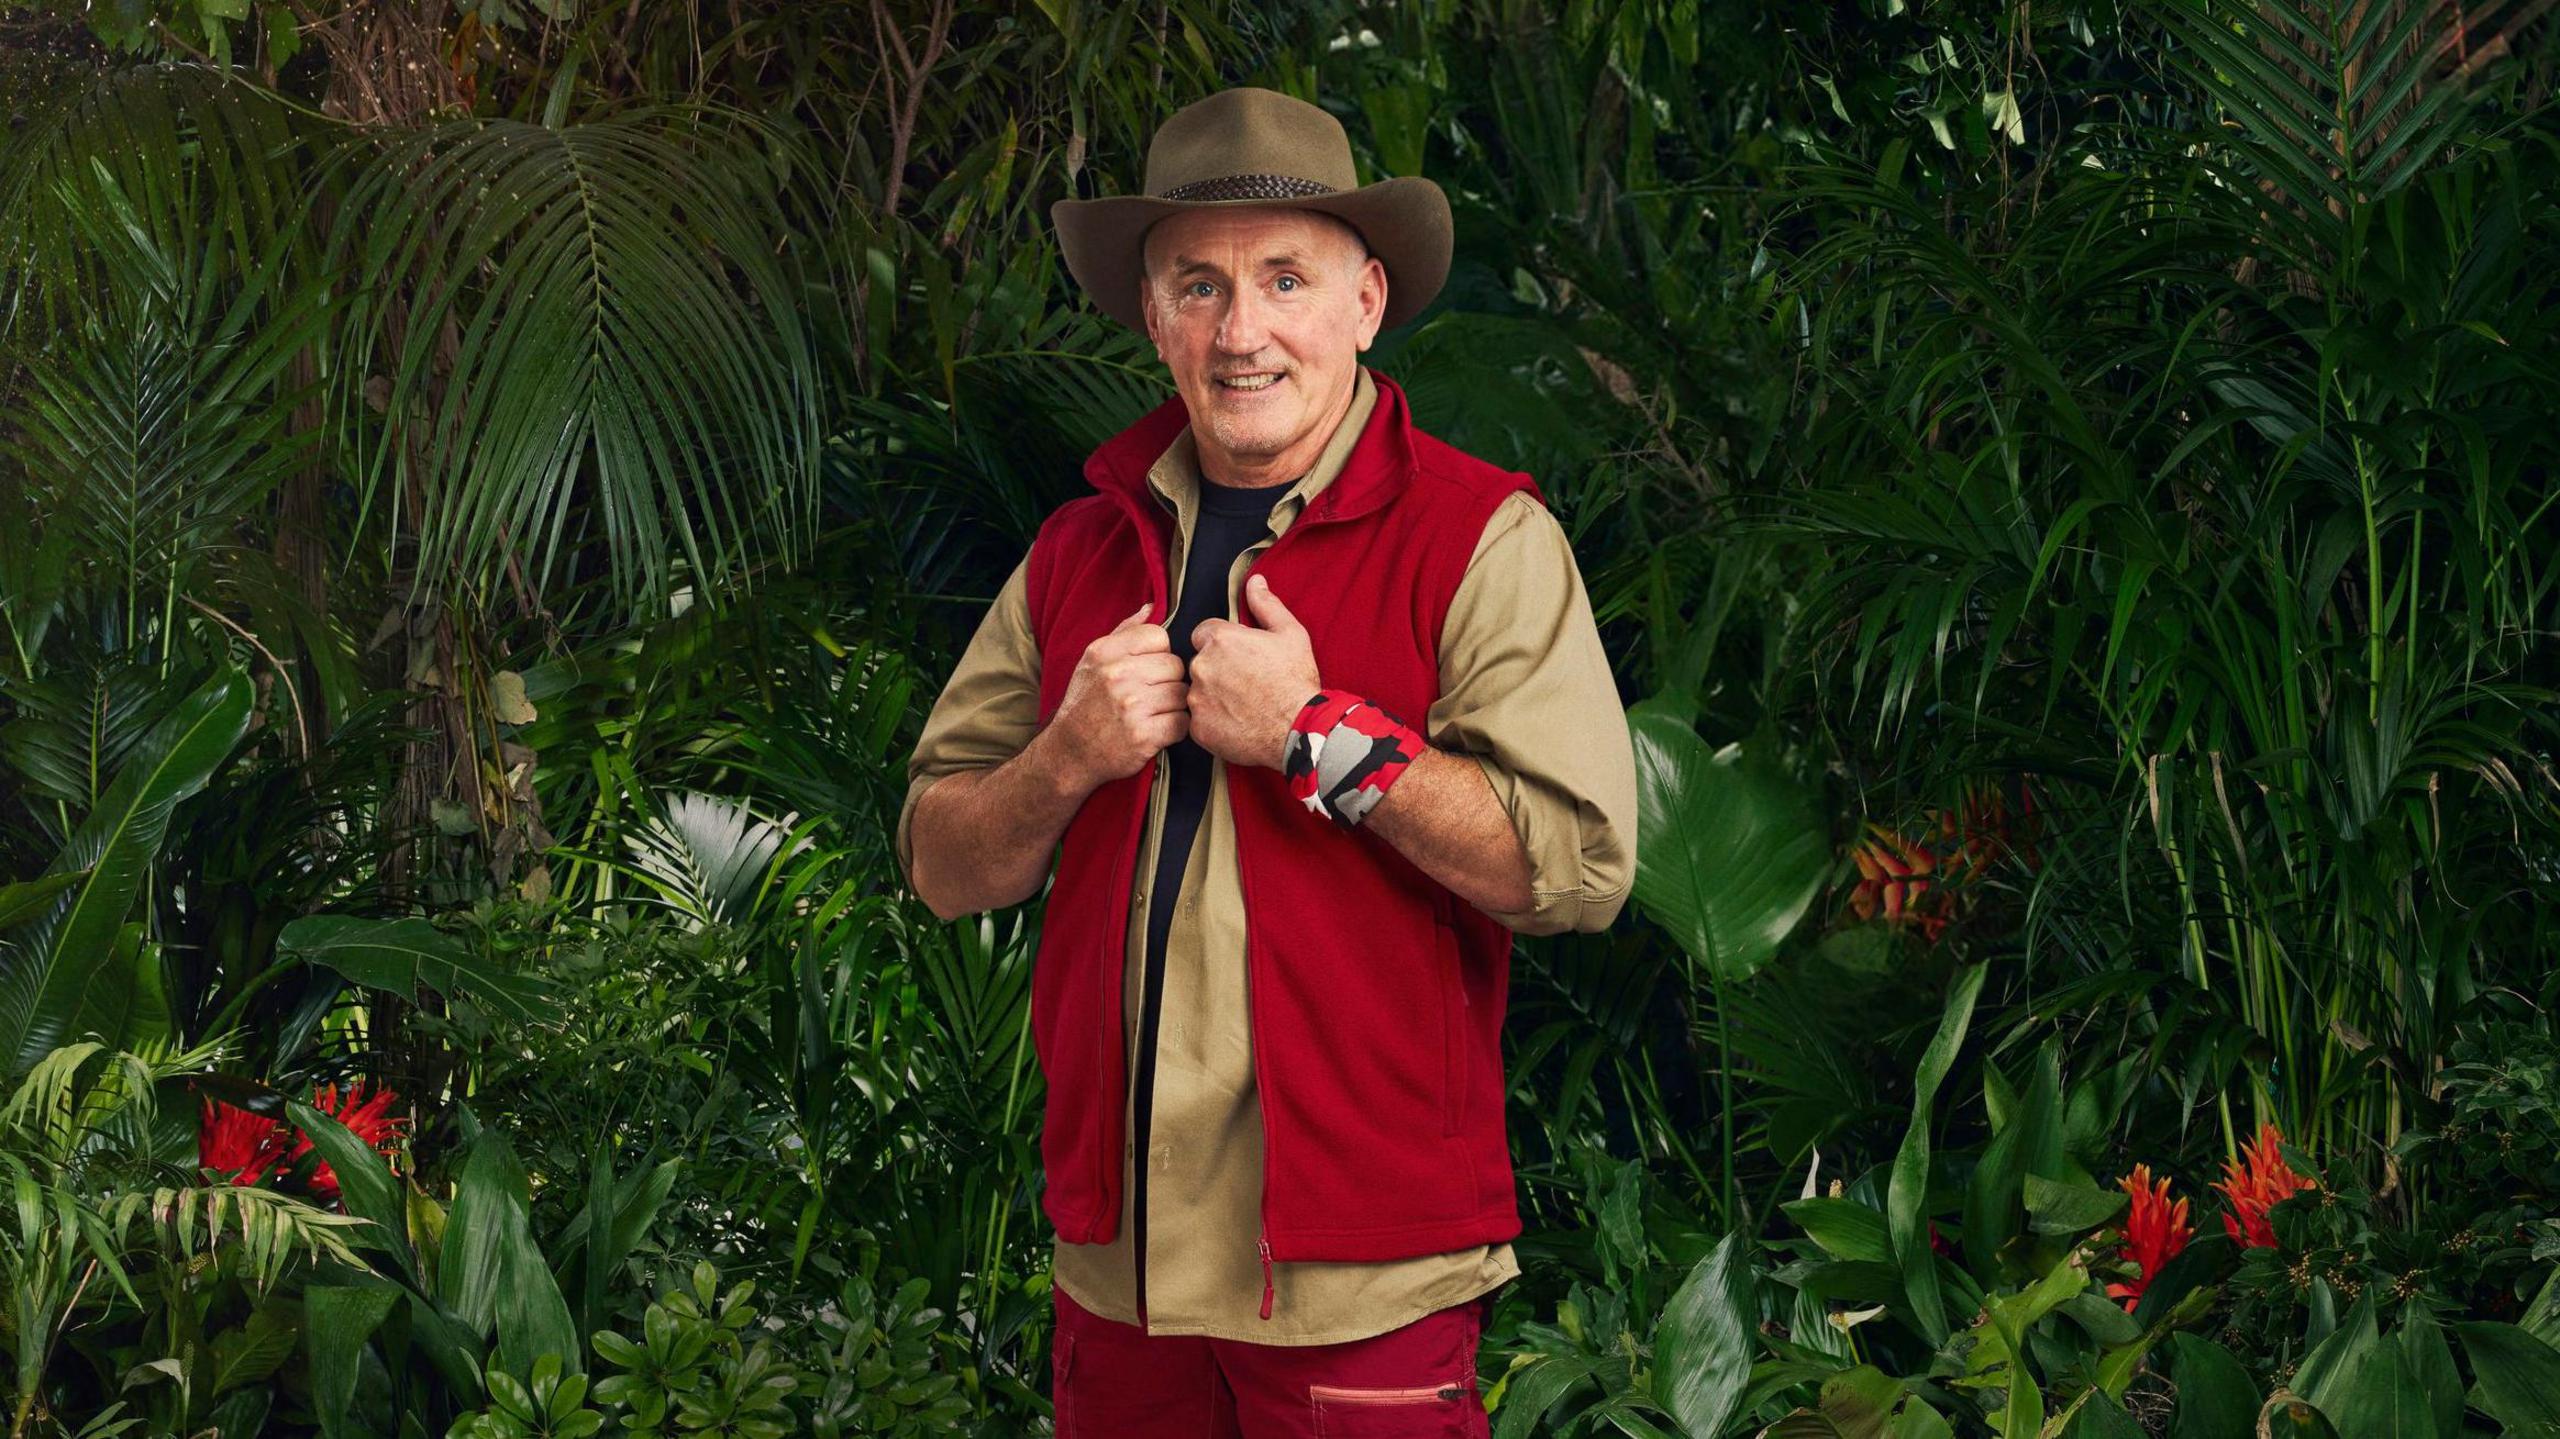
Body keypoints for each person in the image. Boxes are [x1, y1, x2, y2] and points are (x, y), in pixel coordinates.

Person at [897, 85, 1636, 1437]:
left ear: (1365, 302)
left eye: (1284, 279)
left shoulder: (1482, 538)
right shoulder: (1078, 551)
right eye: (1198, 286)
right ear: (1151, 314)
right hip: (1116, 1278)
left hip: (1360, 1278)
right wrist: (1063, 757)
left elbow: (1575, 868)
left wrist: (1318, 736)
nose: (1242, 333)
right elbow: (945, 863)